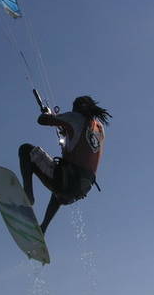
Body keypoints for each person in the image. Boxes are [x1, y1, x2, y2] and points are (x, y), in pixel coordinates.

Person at [18, 95, 111, 233]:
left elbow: (42, 120)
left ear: (78, 108)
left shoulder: (75, 117)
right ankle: (43, 227)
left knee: (26, 150)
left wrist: (48, 113)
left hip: (66, 180)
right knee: (59, 190)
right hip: (79, 190)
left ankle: (28, 196)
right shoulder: (100, 129)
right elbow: (80, 141)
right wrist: (65, 129)